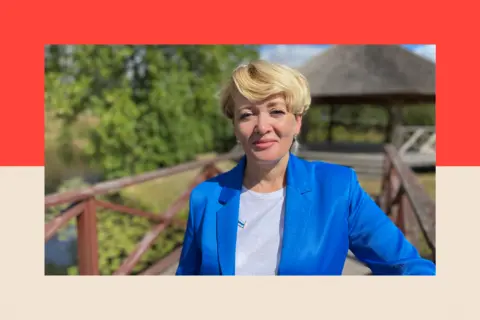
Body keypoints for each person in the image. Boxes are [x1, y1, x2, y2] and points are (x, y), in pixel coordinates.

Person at [176, 60, 436, 276]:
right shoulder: (206, 197)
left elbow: (408, 267)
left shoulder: (337, 188)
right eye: (247, 114)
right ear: (235, 127)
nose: (262, 126)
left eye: (276, 111)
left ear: (297, 122)